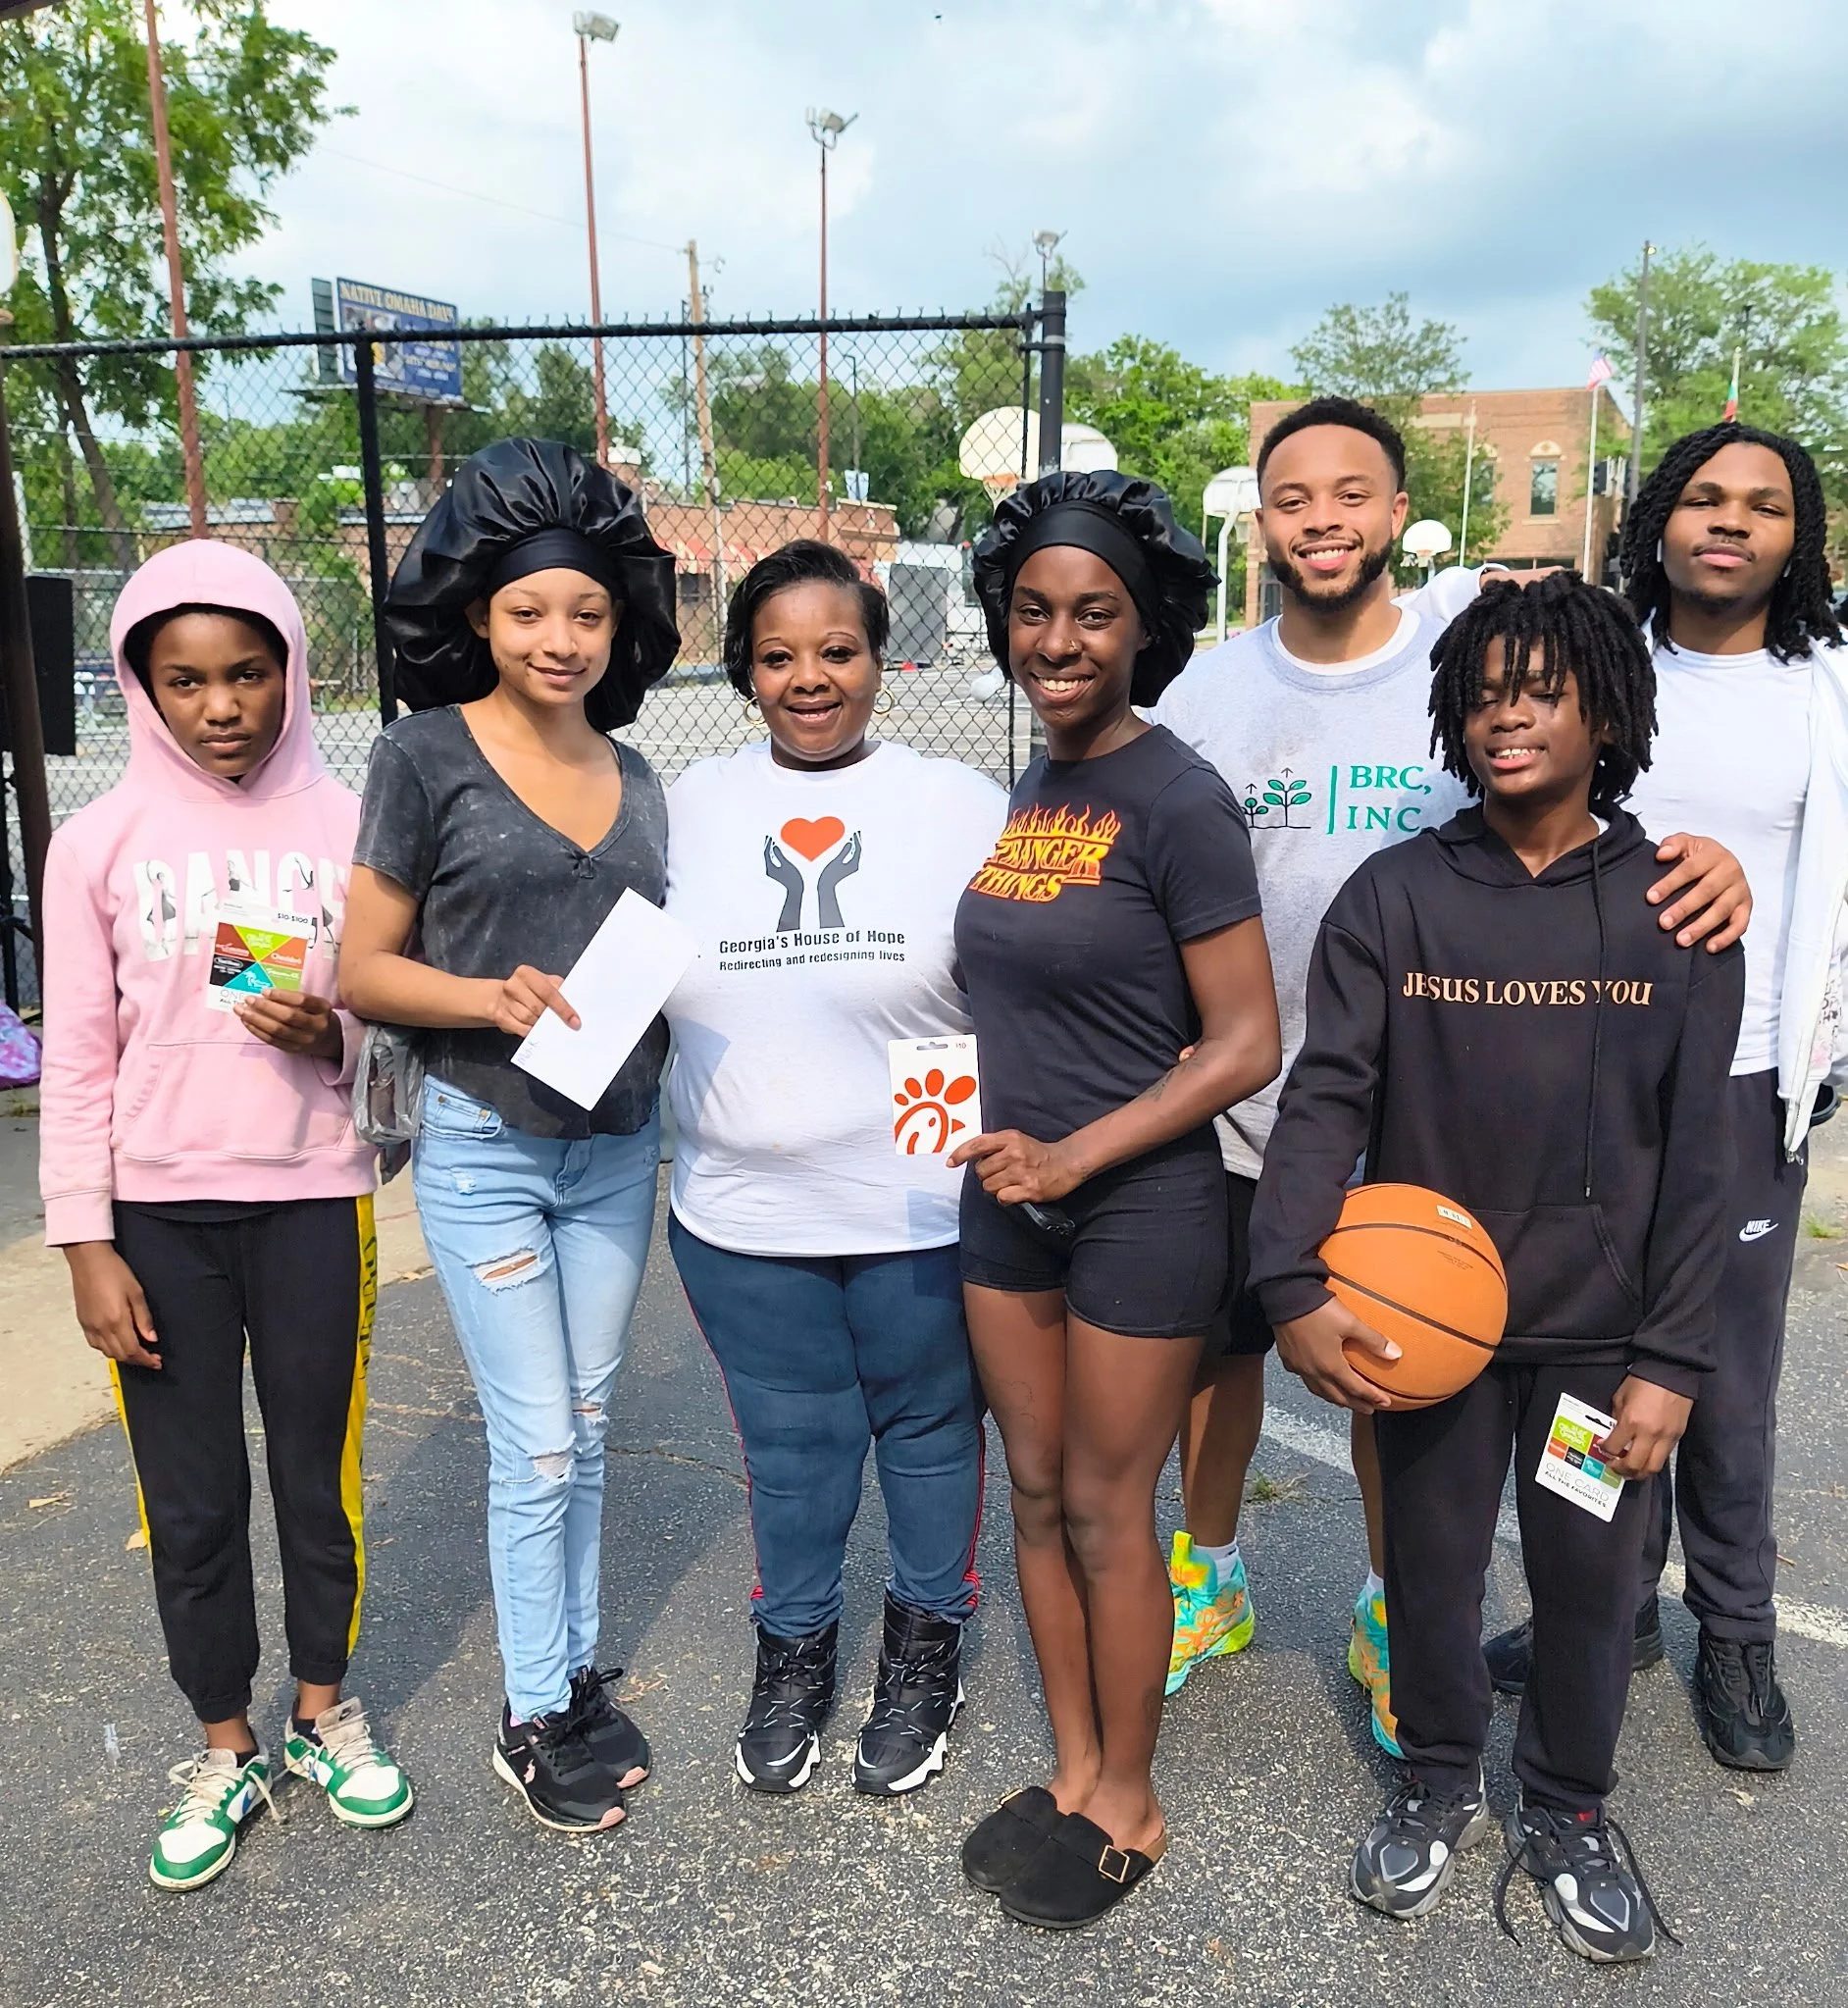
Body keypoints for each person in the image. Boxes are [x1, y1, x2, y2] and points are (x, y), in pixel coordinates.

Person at [1153, 394, 1755, 1740]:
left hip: (1445, 1135)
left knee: (1410, 1360)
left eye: (1350, 491)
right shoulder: (1215, 689)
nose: (1322, 517)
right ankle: (1223, 1578)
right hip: (1263, 1086)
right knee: (1234, 1350)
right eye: (1293, 495)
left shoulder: (1462, 645)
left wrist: (1689, 856)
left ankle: (1406, 1619)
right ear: (1262, 517)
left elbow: (1580, 751)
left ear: (1395, 505)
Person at [1250, 572, 1743, 1964]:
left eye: (1543, 689)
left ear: (1607, 708)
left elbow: (1704, 1151)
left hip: (1600, 1343)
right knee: (1431, 1566)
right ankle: (1439, 1765)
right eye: (1484, 692)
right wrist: (1291, 1278)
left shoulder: (1678, 909)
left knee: (1589, 1579)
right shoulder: (1395, 896)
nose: (1508, 714)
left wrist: (1671, 1359)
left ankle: (1571, 1802)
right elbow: (1326, 1097)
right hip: (1432, 1330)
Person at [39, 541, 412, 1891]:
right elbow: (75, 1056)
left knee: (320, 1480)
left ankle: (323, 1710)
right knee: (192, 1500)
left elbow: (396, 1041)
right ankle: (225, 1739)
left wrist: (335, 1030)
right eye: (185, 677)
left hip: (314, 1203)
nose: (221, 705)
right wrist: (85, 1241)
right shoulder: (98, 841)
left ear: (290, 671)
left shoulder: (354, 825)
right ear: (141, 684)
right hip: (156, 1224)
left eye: (249, 671)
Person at [1483, 423, 1848, 1773]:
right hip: (1588, 1079)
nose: (1730, 522)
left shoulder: (1826, 687)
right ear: (1661, 516)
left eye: (1762, 505)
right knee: (1590, 1368)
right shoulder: (1593, 660)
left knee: (1723, 1381)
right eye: (1704, 496)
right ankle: (1606, 1602)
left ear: (1796, 536)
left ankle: (1736, 1628)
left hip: (1745, 1082)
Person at [950, 471, 1282, 1929]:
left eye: (1094, 613)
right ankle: (1075, 1762)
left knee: (1103, 1500)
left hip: (1139, 1201)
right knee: (1028, 1489)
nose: (1061, 637)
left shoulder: (1178, 794)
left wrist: (1080, 1154)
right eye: (1034, 610)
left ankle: (1133, 1794)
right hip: (1004, 1190)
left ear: (1144, 631)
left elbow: (1245, 1042)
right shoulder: (1035, 786)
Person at [339, 438, 679, 1834]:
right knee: (537, 1441)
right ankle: (533, 1706)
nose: (559, 636)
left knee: (588, 1424)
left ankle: (573, 1671)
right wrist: (487, 994)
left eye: (586, 611)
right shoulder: (421, 755)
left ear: (621, 624)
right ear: (480, 612)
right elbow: (361, 966)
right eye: (530, 609)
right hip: (486, 1140)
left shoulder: (644, 773)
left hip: (614, 1149)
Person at [664, 541, 1005, 1797]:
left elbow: (1001, 987)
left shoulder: (960, 801)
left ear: (880, 657)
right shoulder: (691, 803)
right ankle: (795, 1646)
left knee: (927, 1433)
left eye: (839, 651)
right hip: (741, 1207)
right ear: (745, 670)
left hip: (918, 1189)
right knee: (792, 1448)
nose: (811, 679)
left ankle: (927, 1642)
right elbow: (618, 978)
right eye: (778, 656)